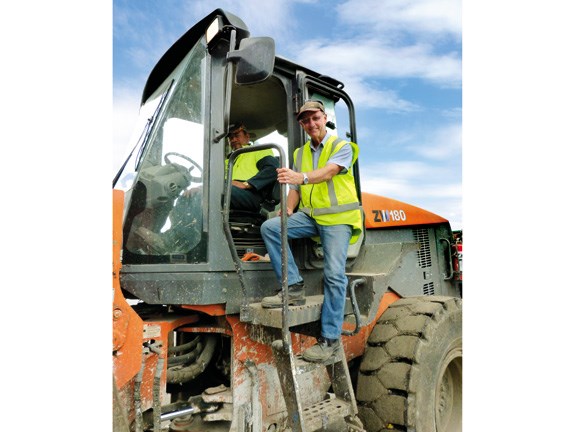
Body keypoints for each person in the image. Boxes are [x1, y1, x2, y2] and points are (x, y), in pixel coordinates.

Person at [260, 100, 363, 362]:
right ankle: (293, 287)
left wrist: (301, 178)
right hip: (311, 216)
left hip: (338, 219)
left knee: (333, 275)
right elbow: (294, 190)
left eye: (315, 118)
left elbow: (328, 173)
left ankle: (330, 341)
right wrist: (288, 211)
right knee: (271, 227)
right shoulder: (299, 154)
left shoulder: (341, 146)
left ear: (324, 117)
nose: (311, 124)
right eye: (305, 121)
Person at [225, 123, 279, 212]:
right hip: (228, 188)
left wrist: (247, 184)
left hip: (250, 193)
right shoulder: (228, 161)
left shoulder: (258, 150)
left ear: (247, 137)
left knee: (217, 192)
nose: (233, 139)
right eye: (230, 138)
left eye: (237, 136)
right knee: (198, 193)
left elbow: (273, 169)